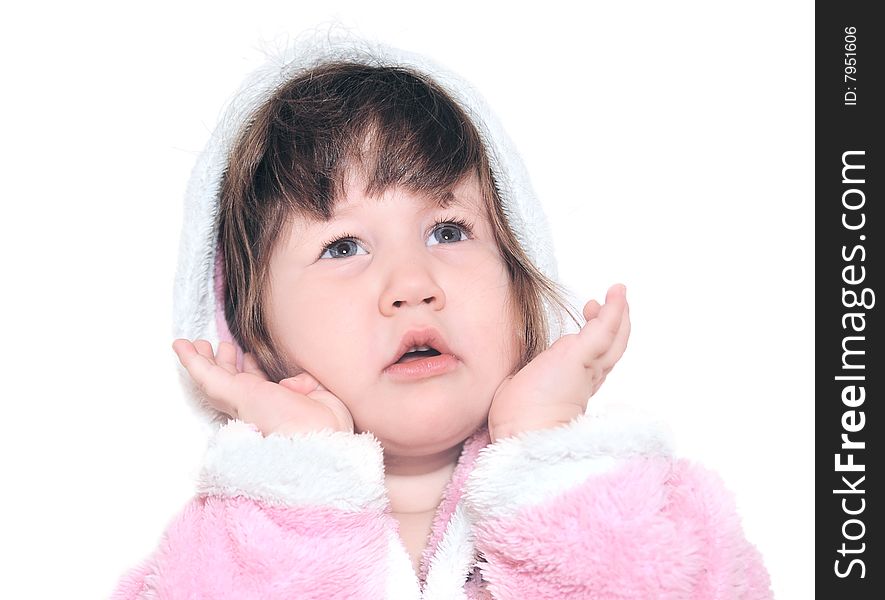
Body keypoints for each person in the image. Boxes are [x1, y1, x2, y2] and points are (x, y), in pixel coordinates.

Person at [112, 35, 772, 599]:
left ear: (520, 281)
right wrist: (297, 483)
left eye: (448, 231)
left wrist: (545, 454)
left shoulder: (634, 503)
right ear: (252, 334)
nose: (412, 285)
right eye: (343, 246)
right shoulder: (215, 550)